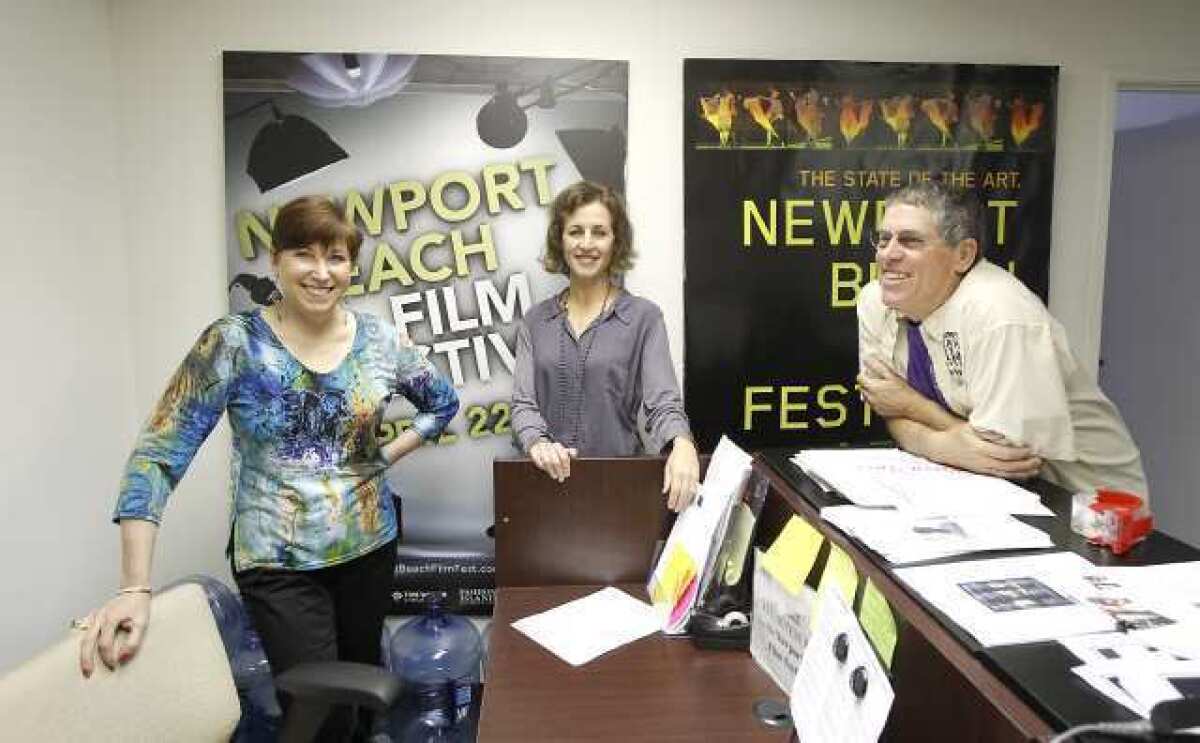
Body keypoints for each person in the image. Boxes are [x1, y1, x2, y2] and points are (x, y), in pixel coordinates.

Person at [77, 196, 459, 736]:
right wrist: (135, 587)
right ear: (276, 259)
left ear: (352, 266)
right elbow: (158, 456)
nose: (322, 272)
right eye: (304, 254)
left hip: (370, 548)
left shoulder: (379, 341)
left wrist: (383, 456)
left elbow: (443, 403)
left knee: (360, 705)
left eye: (337, 257)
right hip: (278, 562)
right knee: (320, 711)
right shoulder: (234, 342)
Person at [857, 181, 1147, 496]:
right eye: (883, 240)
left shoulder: (1000, 314)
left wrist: (913, 406)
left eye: (911, 241)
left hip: (1084, 511)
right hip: (977, 492)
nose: (888, 254)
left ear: (963, 255)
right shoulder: (876, 301)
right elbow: (889, 409)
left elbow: (1006, 462)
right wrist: (943, 442)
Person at [511, 180, 700, 511]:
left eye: (599, 232)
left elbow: (663, 402)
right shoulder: (535, 322)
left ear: (616, 242)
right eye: (575, 231)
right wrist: (538, 444)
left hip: (618, 493)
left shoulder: (644, 318)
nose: (586, 243)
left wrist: (683, 444)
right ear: (560, 239)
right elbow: (523, 405)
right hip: (542, 488)